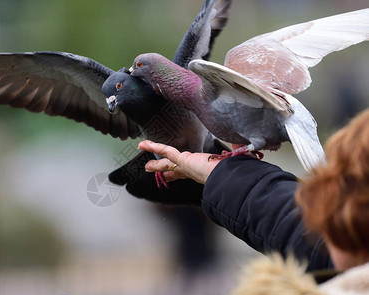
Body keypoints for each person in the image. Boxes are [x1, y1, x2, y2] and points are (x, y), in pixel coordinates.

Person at [137, 109, 369, 272]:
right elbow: (302, 232)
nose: (329, 229)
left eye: (339, 220)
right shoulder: (343, 257)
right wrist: (220, 172)